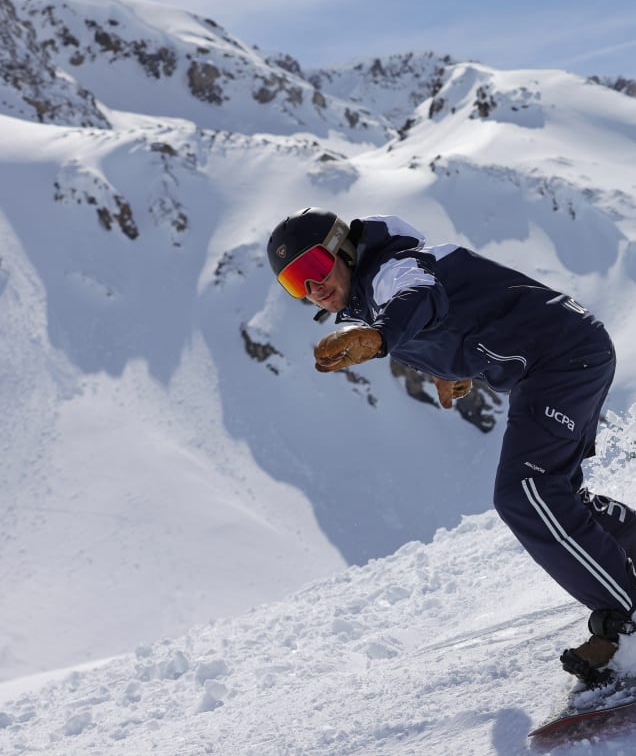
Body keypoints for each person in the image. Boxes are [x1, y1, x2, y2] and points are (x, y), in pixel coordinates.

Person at [267, 206, 636, 683]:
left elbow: (420, 296)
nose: (312, 287)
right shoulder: (373, 292)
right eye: (296, 282)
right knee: (558, 495)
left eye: (314, 266)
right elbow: (456, 314)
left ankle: (626, 625)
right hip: (564, 353)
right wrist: (448, 370)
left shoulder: (391, 271)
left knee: (527, 492)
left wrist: (381, 338)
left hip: (560, 359)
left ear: (343, 248)